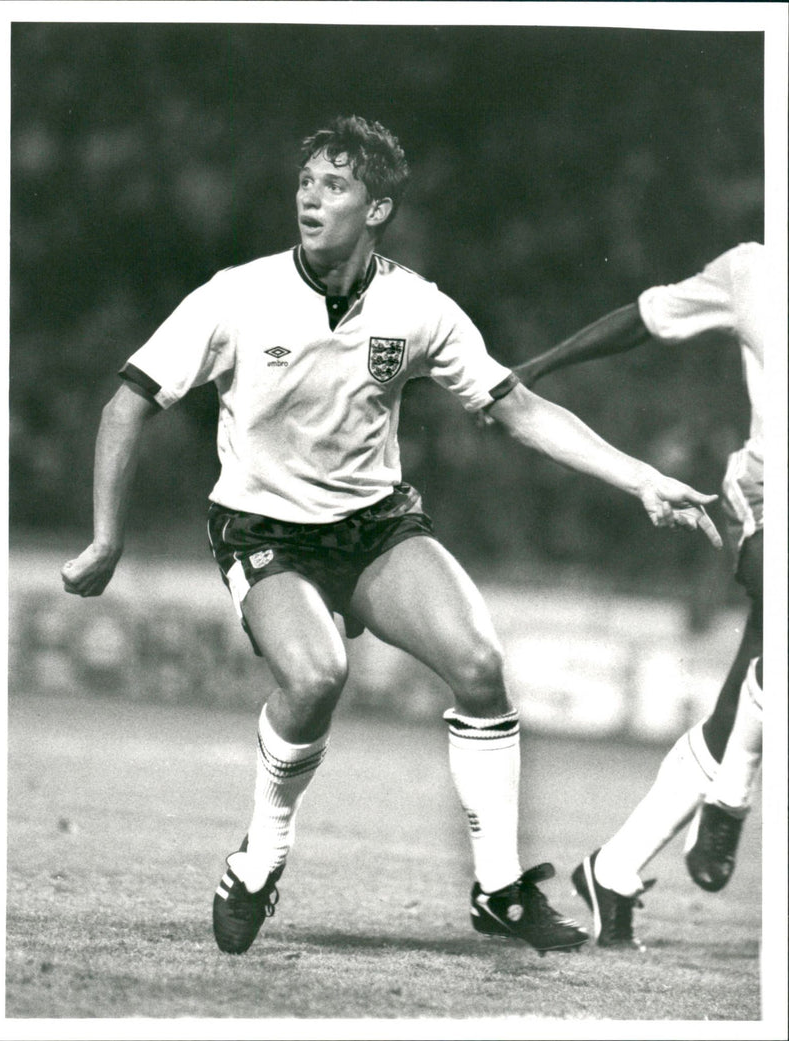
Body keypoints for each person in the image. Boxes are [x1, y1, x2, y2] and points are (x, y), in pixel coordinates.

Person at [61, 115, 722, 958]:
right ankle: (259, 858)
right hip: (266, 528)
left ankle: (497, 888)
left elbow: (515, 407)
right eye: (307, 182)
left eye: (335, 186)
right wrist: (106, 538)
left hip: (374, 526)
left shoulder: (417, 307)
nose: (311, 197)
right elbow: (128, 402)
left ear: (377, 209)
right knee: (316, 676)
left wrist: (642, 477)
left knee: (481, 664)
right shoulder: (236, 295)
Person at [513, 242, 764, 949]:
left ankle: (614, 869)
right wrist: (541, 367)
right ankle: (731, 796)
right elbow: (644, 317)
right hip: (765, 501)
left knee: (738, 707)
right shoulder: (753, 272)